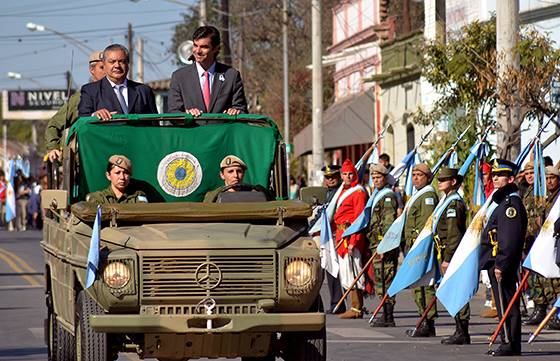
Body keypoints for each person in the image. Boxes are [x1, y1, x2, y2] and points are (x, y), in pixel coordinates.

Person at [481, 159, 527, 357]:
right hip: (497, 261)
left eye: (500, 176)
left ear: (511, 179)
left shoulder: (511, 204)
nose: (496, 179)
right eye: (494, 175)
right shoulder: (503, 202)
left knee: (507, 303)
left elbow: (508, 238)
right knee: (503, 303)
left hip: (502, 263)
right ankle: (507, 341)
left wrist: (501, 263)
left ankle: (510, 342)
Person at [168, 25, 248, 116]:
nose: (197, 51)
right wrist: (187, 115)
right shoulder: (179, 77)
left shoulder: (231, 76)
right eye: (195, 45)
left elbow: (241, 109)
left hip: (223, 130)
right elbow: (173, 113)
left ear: (216, 48)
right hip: (192, 130)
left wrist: (235, 111)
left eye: (204, 47)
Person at [46, 51, 106, 162]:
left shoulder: (122, 94)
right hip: (87, 159)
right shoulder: (81, 97)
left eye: (109, 66)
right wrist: (53, 148)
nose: (107, 71)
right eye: (102, 67)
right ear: (92, 70)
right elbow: (54, 125)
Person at [435, 167, 470, 345]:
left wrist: (448, 258)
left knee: (458, 290)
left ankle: (462, 332)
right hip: (447, 251)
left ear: (453, 182)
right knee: (453, 290)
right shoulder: (447, 201)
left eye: (444, 179)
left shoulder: (453, 204)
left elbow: (453, 233)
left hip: (453, 254)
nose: (439, 182)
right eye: (439, 179)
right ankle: (459, 329)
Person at [403, 163, 439, 337]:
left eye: (419, 175)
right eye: (414, 174)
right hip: (414, 246)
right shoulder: (418, 195)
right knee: (418, 285)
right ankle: (422, 319)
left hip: (422, 246)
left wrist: (418, 244)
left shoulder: (428, 196)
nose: (415, 178)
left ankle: (428, 321)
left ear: (428, 177)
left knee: (425, 285)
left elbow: (426, 223)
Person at [78, 44, 158, 119]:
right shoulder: (90, 91)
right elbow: (82, 118)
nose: (117, 66)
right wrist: (95, 115)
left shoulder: (143, 91)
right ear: (104, 65)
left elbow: (154, 123)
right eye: (112, 62)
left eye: (121, 61)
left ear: (128, 64)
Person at [334, 159, 367, 319]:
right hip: (341, 235)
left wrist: (354, 241)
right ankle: (354, 307)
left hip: (350, 236)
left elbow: (359, 218)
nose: (347, 177)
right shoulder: (342, 191)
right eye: (345, 174)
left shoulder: (358, 192)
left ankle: (356, 307)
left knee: (353, 272)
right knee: (346, 272)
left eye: (350, 174)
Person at [366, 164, 399, 327]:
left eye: (378, 177)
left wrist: (384, 246)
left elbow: (388, 224)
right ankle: (385, 315)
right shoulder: (377, 195)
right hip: (376, 244)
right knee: (380, 281)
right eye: (373, 178)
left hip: (384, 246)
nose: (375, 180)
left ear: (385, 178)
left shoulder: (387, 197)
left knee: (387, 279)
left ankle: (389, 316)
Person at [522, 161, 548, 325]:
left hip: (540, 239)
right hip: (529, 240)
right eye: (527, 173)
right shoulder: (528, 191)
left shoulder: (541, 191)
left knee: (543, 277)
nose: (529, 176)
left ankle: (543, 310)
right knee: (533, 276)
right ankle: (539, 309)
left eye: (532, 173)